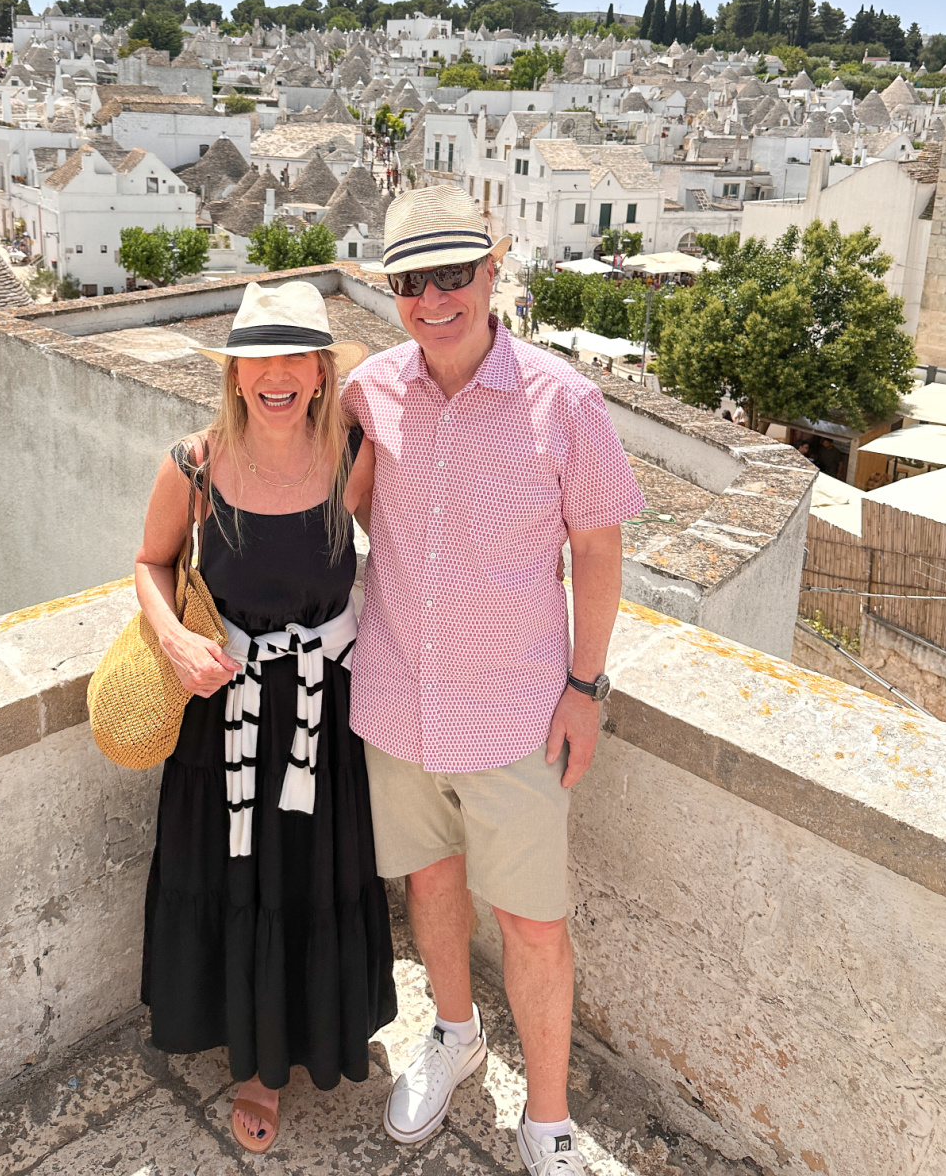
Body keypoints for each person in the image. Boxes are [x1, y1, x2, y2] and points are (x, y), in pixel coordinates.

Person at [345, 187, 646, 1176]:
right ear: (392, 291)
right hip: (394, 701)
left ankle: (549, 1120)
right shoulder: (371, 392)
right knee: (429, 886)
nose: (435, 298)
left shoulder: (565, 402)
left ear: (493, 269)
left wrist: (586, 687)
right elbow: (322, 507)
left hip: (514, 714)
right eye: (411, 281)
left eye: (454, 274)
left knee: (531, 920)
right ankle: (456, 1034)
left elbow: (598, 553)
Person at [134, 280, 398, 1155]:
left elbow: (412, 550)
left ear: (322, 373)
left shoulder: (355, 453)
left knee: (308, 878)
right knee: (243, 878)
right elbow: (150, 563)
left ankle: (315, 1031)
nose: (276, 377)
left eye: (295, 359)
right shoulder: (195, 465)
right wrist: (173, 641)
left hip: (327, 712)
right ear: (236, 374)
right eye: (258, 361)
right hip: (227, 713)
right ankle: (256, 1066)